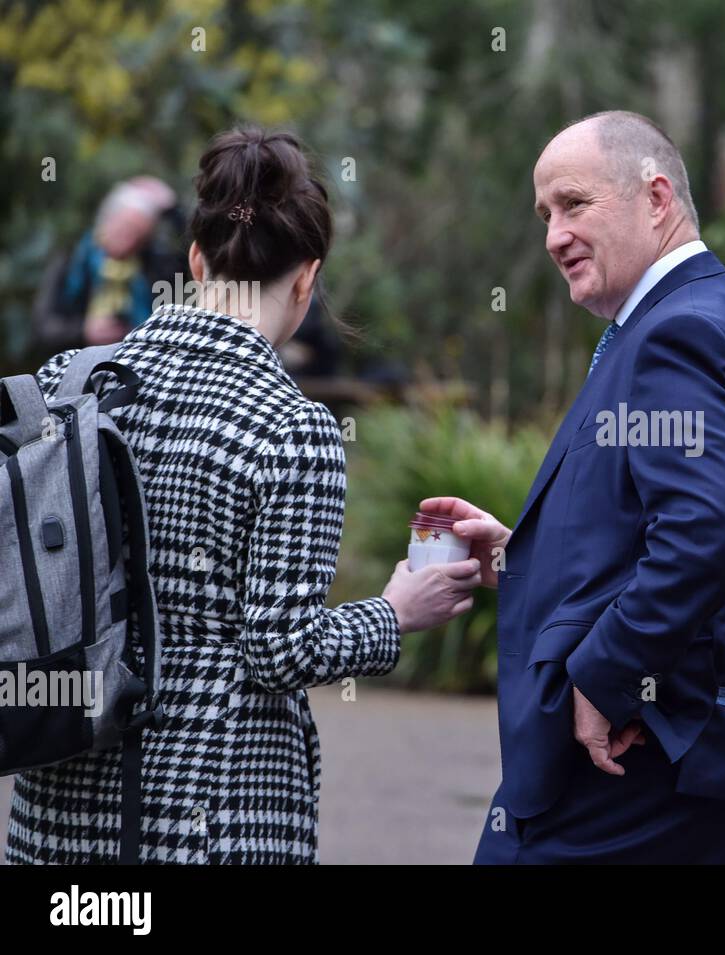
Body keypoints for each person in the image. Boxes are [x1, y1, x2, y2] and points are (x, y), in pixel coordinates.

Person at [5, 126, 477, 864]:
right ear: (307, 277)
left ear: (196, 258)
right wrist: (395, 614)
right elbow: (280, 649)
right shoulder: (292, 427)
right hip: (207, 814)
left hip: (56, 812)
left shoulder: (72, 381)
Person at [425, 110, 725, 864]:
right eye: (545, 214)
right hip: (694, 765)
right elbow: (660, 521)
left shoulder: (677, 332)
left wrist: (608, 675)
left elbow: (708, 527)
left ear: (656, 198)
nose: (553, 235)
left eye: (574, 203)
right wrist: (523, 554)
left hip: (653, 767)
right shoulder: (713, 317)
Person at [33, 176, 188, 350]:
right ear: (106, 220)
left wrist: (172, 206)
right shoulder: (71, 260)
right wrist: (83, 331)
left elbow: (190, 256)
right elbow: (44, 327)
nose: (129, 242)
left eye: (140, 237)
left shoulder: (154, 265)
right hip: (77, 363)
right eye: (126, 230)